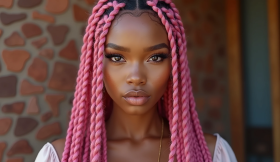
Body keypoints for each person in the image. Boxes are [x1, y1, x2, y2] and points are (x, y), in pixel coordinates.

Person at [35, 0, 237, 161]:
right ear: (95, 65)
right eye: (117, 57)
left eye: (155, 57)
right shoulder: (60, 157)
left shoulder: (212, 155)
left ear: (174, 65)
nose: (136, 77)